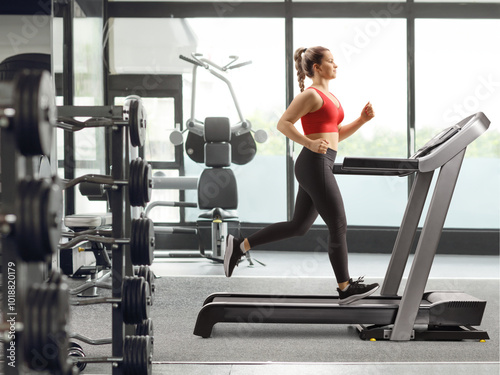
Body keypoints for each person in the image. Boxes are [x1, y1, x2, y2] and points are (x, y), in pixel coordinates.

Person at [224, 46, 379, 304]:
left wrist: (361, 120)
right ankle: (345, 288)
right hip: (314, 162)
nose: (336, 65)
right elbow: (283, 123)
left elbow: (335, 134)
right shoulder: (311, 94)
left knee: (298, 226)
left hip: (322, 162)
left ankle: (239, 246)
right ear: (317, 68)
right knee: (338, 224)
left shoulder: (331, 97)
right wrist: (308, 143)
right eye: (331, 61)